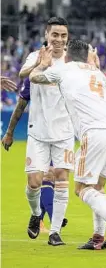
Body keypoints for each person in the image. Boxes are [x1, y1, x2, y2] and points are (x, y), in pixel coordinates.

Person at [29, 39, 106, 250]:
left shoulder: (63, 69)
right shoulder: (98, 73)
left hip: (94, 134)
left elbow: (34, 78)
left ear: (67, 55)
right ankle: (97, 237)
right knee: (97, 187)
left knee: (81, 188)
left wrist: (42, 64)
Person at [1, 17, 74, 246]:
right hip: (38, 132)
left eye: (63, 35)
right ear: (46, 35)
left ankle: (54, 232)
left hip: (64, 131)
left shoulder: (72, 61)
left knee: (61, 179)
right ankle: (35, 214)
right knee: (34, 183)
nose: (59, 39)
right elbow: (23, 74)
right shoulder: (36, 56)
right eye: (55, 35)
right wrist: (42, 65)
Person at [1, 76, 68, 234]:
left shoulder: (67, 74)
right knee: (36, 181)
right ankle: (38, 215)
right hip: (38, 136)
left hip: (61, 136)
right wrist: (9, 132)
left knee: (51, 177)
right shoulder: (33, 78)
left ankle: (53, 224)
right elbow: (20, 105)